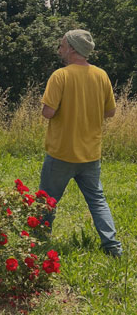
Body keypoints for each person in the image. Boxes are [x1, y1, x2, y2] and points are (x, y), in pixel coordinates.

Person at [39, 29, 123, 257]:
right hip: (90, 153)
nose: (60, 48)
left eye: (62, 44)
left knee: (47, 200)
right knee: (97, 201)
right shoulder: (101, 75)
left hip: (62, 153)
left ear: (73, 49)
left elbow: (48, 113)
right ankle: (113, 247)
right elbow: (111, 112)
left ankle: (38, 241)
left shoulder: (60, 76)